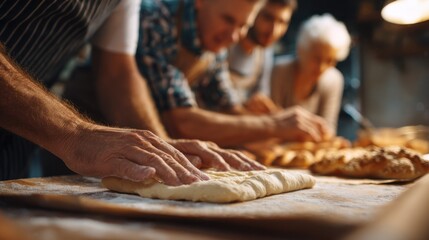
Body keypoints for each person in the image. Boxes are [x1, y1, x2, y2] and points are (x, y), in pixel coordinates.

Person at [0, 0, 262, 185]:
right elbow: (181, 117)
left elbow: (117, 73)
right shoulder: (158, 16)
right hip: (55, 135)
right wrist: (75, 133)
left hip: (22, 138)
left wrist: (158, 144)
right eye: (228, 19)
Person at [137, 0, 332, 148]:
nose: (233, 37)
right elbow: (180, 122)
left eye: (242, 26)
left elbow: (229, 108)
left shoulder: (216, 46)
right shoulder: (158, 18)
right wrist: (274, 125)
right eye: (228, 20)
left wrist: (285, 123)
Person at [270, 14, 352, 134]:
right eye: (316, 58)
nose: (321, 67)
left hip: (312, 147)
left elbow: (328, 129)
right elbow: (273, 120)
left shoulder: (334, 80)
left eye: (330, 60)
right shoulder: (280, 70)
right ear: (301, 50)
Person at [227, 0, 297, 114]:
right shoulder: (226, 41)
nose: (274, 30)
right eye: (268, 18)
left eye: (282, 22)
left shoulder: (265, 52)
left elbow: (261, 97)